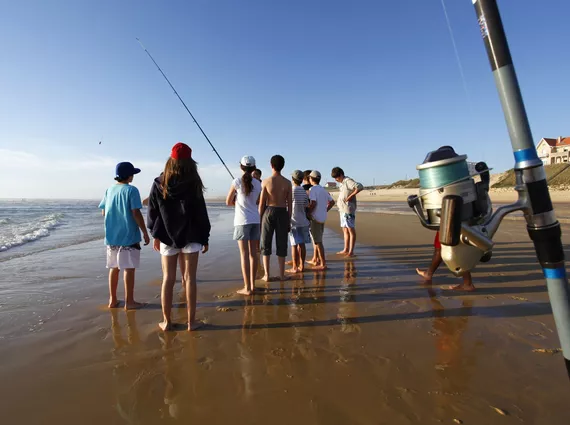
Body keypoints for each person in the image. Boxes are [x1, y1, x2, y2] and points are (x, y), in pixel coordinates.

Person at [147, 142, 211, 331]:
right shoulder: (194, 183)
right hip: (192, 235)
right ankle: (191, 322)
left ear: (171, 160)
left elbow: (153, 212)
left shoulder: (159, 182)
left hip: (167, 236)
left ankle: (167, 322)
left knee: (168, 278)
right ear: (190, 162)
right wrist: (205, 237)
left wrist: (155, 234)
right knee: (190, 278)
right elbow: (201, 212)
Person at [99, 162, 150, 310]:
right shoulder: (132, 190)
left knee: (114, 267)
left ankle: (112, 300)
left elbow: (103, 211)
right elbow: (136, 212)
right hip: (129, 236)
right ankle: (130, 301)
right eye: (132, 173)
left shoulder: (109, 190)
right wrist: (144, 232)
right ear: (129, 175)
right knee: (129, 268)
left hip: (111, 236)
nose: (133, 176)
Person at [226, 155, 262, 295]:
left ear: (241, 166)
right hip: (255, 220)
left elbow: (228, 202)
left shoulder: (236, 182)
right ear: (254, 167)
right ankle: (252, 285)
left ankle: (247, 288)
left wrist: (238, 202)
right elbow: (257, 201)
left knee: (244, 255)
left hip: (242, 221)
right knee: (253, 254)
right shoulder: (258, 183)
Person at [259, 155, 292, 282]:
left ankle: (267, 275)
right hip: (282, 212)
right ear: (282, 166)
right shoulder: (287, 183)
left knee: (265, 243)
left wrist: (260, 218)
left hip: (269, 211)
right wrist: (289, 220)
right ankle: (282, 274)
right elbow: (290, 204)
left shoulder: (266, 181)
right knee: (281, 243)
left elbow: (262, 203)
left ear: (271, 165)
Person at [331, 167, 363, 257]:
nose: (336, 180)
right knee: (345, 229)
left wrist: (351, 196)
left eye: (336, 177)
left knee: (350, 230)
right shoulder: (342, 183)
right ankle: (346, 249)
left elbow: (359, 186)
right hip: (342, 209)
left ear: (341, 175)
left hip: (348, 209)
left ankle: (351, 252)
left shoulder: (348, 181)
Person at [307, 170, 335, 271]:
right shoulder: (323, 189)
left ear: (311, 179)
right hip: (322, 218)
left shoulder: (312, 189)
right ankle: (317, 260)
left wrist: (308, 212)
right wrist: (325, 210)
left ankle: (323, 264)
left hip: (315, 218)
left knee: (318, 241)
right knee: (318, 239)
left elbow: (313, 203)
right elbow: (332, 202)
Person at [287, 170, 311, 274]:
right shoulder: (303, 191)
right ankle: (302, 266)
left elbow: (286, 205)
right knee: (302, 245)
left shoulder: (291, 191)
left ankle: (295, 267)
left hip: (294, 222)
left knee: (294, 245)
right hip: (304, 221)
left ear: (293, 179)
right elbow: (307, 205)